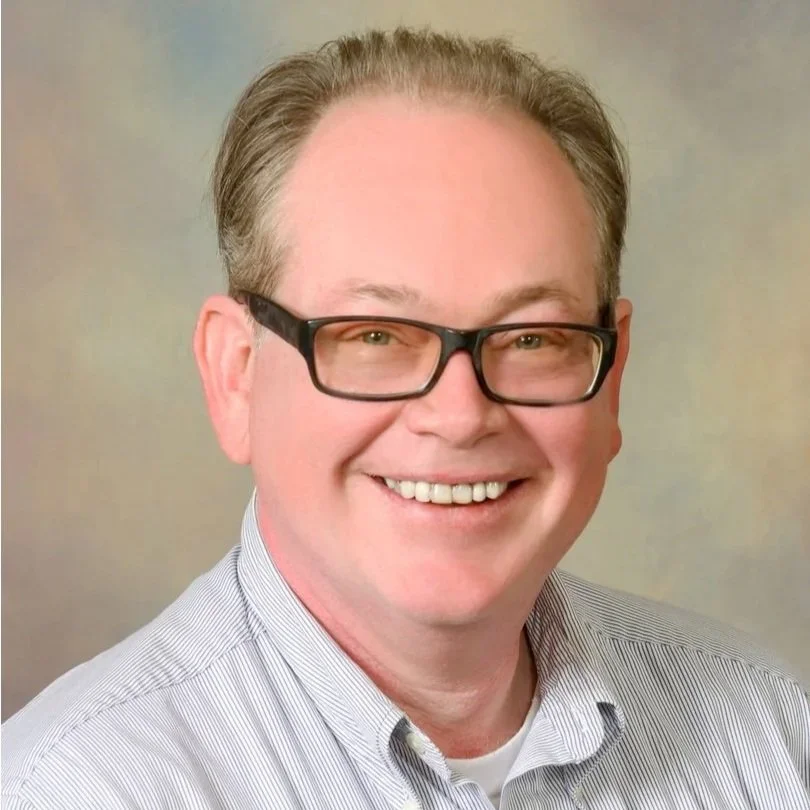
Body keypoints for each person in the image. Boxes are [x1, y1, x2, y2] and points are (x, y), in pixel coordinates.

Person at [3, 26, 808, 810]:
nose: (460, 416)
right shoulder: (76, 789)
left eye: (531, 337)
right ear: (237, 374)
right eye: (374, 336)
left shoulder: (768, 732)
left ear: (613, 374)